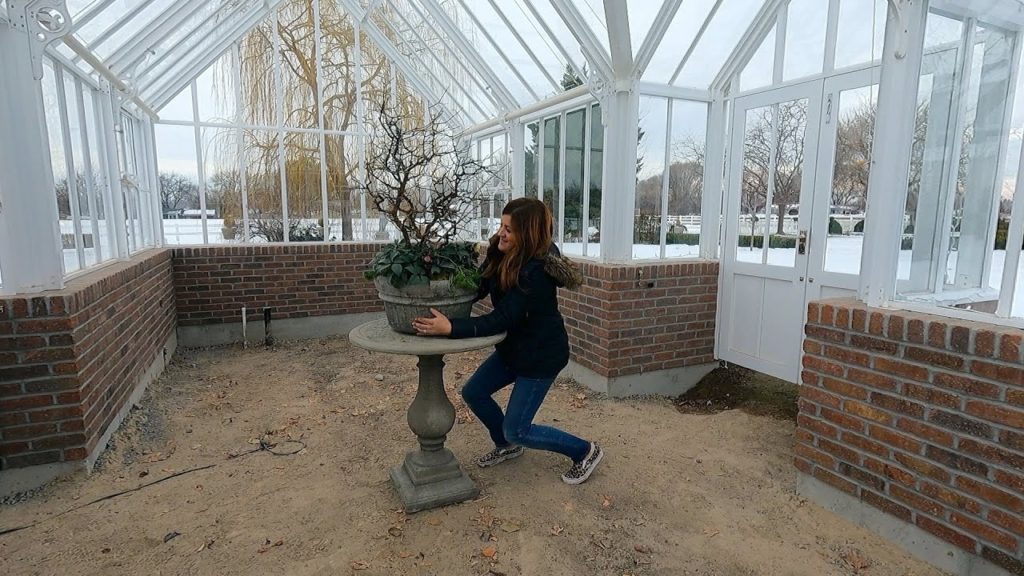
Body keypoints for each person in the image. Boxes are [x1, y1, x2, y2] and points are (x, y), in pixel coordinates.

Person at [412, 198, 603, 485]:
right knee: (474, 392)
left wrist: (451, 327)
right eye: (501, 225)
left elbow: (500, 319)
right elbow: (480, 284)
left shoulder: (536, 274)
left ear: (526, 234)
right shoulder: (502, 252)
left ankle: (584, 451)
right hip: (514, 349)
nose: (501, 233)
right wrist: (442, 282)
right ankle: (506, 445)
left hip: (541, 357)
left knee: (519, 429)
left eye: (509, 229)